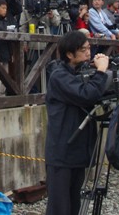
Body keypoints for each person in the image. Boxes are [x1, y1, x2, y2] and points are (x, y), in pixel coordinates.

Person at [45, 31, 110, 215]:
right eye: (83, 50)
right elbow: (87, 94)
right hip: (62, 152)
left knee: (74, 204)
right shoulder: (59, 76)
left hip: (77, 150)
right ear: (69, 54)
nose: (88, 53)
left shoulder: (79, 72)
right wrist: (101, 71)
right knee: (60, 207)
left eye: (89, 48)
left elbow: (94, 93)